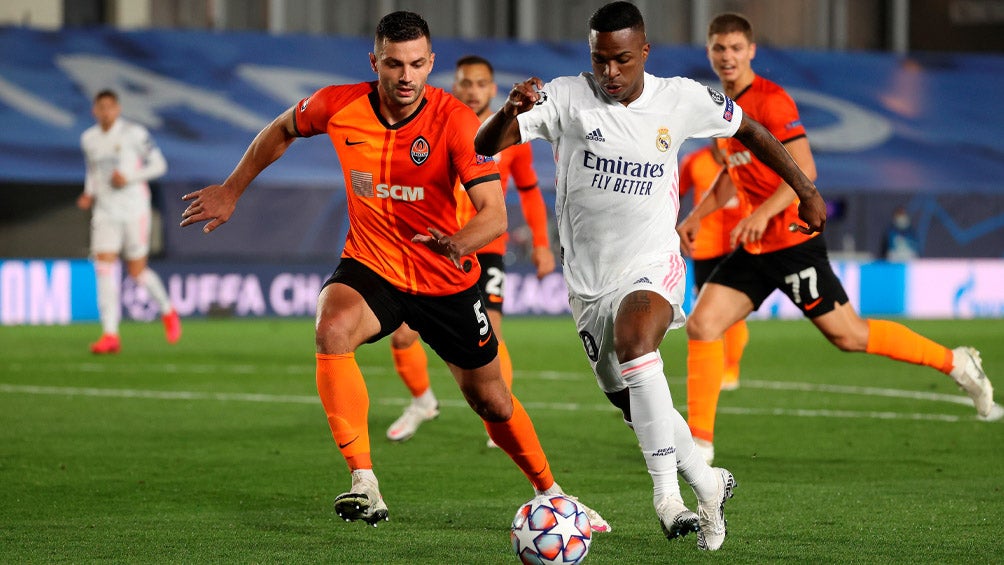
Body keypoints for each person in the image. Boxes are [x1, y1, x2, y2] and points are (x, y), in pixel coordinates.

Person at [179, 11, 607, 531]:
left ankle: (554, 492)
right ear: (374, 62)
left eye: (416, 64)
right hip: (372, 264)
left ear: (431, 64)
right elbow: (282, 128)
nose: (406, 76)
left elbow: (495, 213)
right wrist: (232, 188)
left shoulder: (455, 121)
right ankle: (365, 483)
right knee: (331, 326)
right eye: (394, 64)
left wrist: (456, 243)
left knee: (492, 402)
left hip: (444, 277)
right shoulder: (339, 105)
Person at [475, 1, 826, 551]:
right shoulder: (566, 97)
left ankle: (668, 498)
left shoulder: (680, 98)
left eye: (620, 60)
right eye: (599, 61)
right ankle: (708, 482)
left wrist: (805, 190)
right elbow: (482, 146)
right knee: (630, 402)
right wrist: (507, 110)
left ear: (644, 53)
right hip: (588, 282)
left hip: (651, 265)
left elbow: (752, 131)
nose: (609, 73)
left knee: (638, 344)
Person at [679, 12, 1000, 467]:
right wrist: (696, 214)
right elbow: (734, 174)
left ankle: (957, 363)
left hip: (790, 240)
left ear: (751, 51)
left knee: (849, 336)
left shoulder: (771, 100)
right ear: (709, 52)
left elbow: (805, 171)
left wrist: (764, 213)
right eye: (719, 48)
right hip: (756, 246)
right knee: (703, 324)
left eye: (735, 48)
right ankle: (701, 445)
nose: (727, 56)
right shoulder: (719, 106)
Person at [386, 55, 556, 446]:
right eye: (466, 83)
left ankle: (501, 420)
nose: (473, 91)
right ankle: (422, 402)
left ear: (492, 89)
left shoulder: (510, 135)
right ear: (455, 86)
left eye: (481, 84)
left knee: (489, 335)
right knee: (402, 337)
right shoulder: (435, 123)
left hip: (486, 246)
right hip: (437, 244)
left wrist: (542, 245)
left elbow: (529, 192)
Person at [77, 89, 181, 354]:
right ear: (94, 111)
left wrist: (131, 177)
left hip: (135, 209)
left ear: (118, 109)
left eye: (110, 107)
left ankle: (168, 311)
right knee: (103, 267)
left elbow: (159, 165)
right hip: (105, 211)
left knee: (136, 272)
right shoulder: (88, 139)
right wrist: (89, 193)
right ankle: (110, 334)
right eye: (101, 107)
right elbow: (92, 171)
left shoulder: (134, 134)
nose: (106, 112)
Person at [678, 143, 748, 391]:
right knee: (708, 312)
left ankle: (730, 368)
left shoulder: (744, 158)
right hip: (704, 247)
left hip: (737, 243)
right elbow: (676, 193)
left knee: (733, 311)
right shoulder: (694, 161)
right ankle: (714, 368)